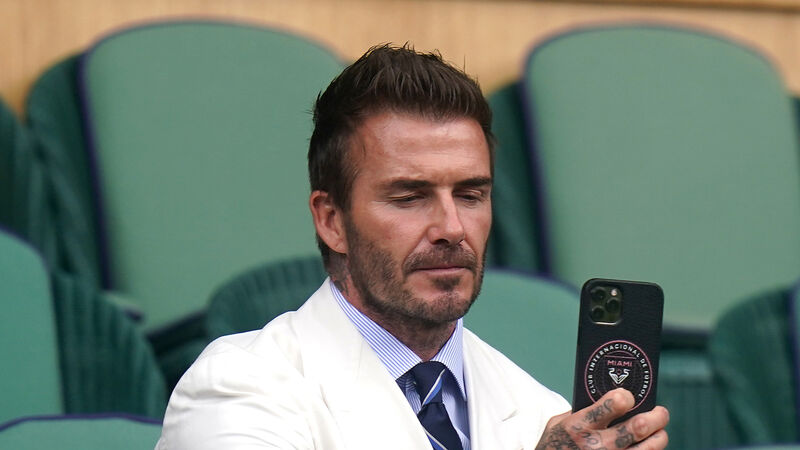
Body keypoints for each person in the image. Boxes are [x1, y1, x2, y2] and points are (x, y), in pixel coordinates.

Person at [156, 44, 669, 450]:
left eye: (470, 195)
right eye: (409, 197)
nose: (452, 227)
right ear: (332, 221)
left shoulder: (540, 410)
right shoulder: (237, 386)